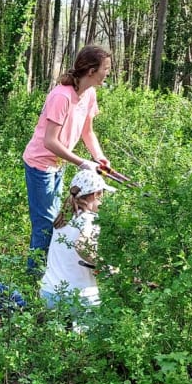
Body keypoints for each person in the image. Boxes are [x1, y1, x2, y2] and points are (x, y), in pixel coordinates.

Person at [22, 44, 112, 271]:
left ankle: (45, 271)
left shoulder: (89, 94)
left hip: (57, 165)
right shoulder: (61, 96)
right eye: (105, 68)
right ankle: (34, 276)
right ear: (91, 70)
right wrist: (82, 162)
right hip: (40, 165)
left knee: (55, 219)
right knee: (45, 224)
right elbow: (49, 141)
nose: (108, 73)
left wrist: (99, 157)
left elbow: (87, 131)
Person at [40, 168, 115, 317]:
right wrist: (105, 267)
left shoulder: (63, 219)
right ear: (95, 195)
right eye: (102, 196)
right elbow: (82, 246)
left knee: (56, 338)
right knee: (90, 336)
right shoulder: (91, 218)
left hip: (48, 292)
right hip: (78, 297)